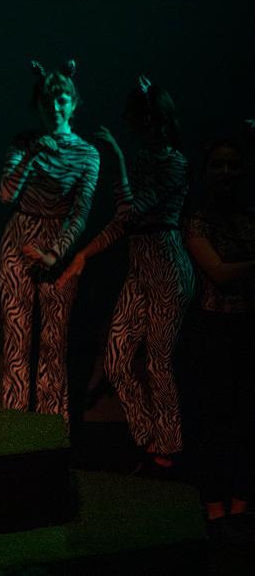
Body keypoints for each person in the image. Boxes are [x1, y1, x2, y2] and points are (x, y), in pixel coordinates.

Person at [59, 78, 193, 471]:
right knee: (117, 359)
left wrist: (116, 157)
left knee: (158, 361)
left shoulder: (175, 163)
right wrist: (83, 255)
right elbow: (122, 222)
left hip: (166, 267)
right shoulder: (143, 160)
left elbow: (132, 210)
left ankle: (167, 448)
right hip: (139, 269)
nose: (128, 125)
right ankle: (148, 437)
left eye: (134, 118)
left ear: (151, 120)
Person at [0, 60, 99, 423]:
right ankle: (14, 429)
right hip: (19, 240)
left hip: (58, 245)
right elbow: (5, 195)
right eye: (46, 100)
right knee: (17, 342)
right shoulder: (22, 142)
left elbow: (80, 212)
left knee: (53, 344)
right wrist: (30, 155)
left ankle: (50, 428)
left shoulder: (87, 153)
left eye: (61, 100)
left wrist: (55, 253)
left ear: (73, 103)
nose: (54, 107)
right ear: (37, 104)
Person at [182, 139, 255, 540]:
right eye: (218, 165)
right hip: (212, 329)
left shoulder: (249, 219)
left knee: (246, 418)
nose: (226, 172)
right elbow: (219, 272)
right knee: (213, 418)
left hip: (247, 328)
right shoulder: (197, 220)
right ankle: (213, 506)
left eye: (233, 165)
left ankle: (241, 504)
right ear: (205, 172)